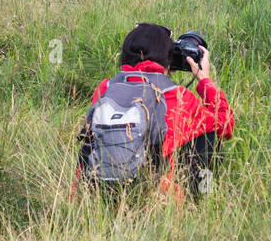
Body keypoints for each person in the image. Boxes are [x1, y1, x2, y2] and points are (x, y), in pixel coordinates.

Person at [76, 23, 235, 197]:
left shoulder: (105, 87)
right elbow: (225, 124)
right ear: (168, 58)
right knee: (208, 135)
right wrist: (204, 80)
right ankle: (201, 197)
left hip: (92, 189)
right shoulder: (175, 95)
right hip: (151, 194)